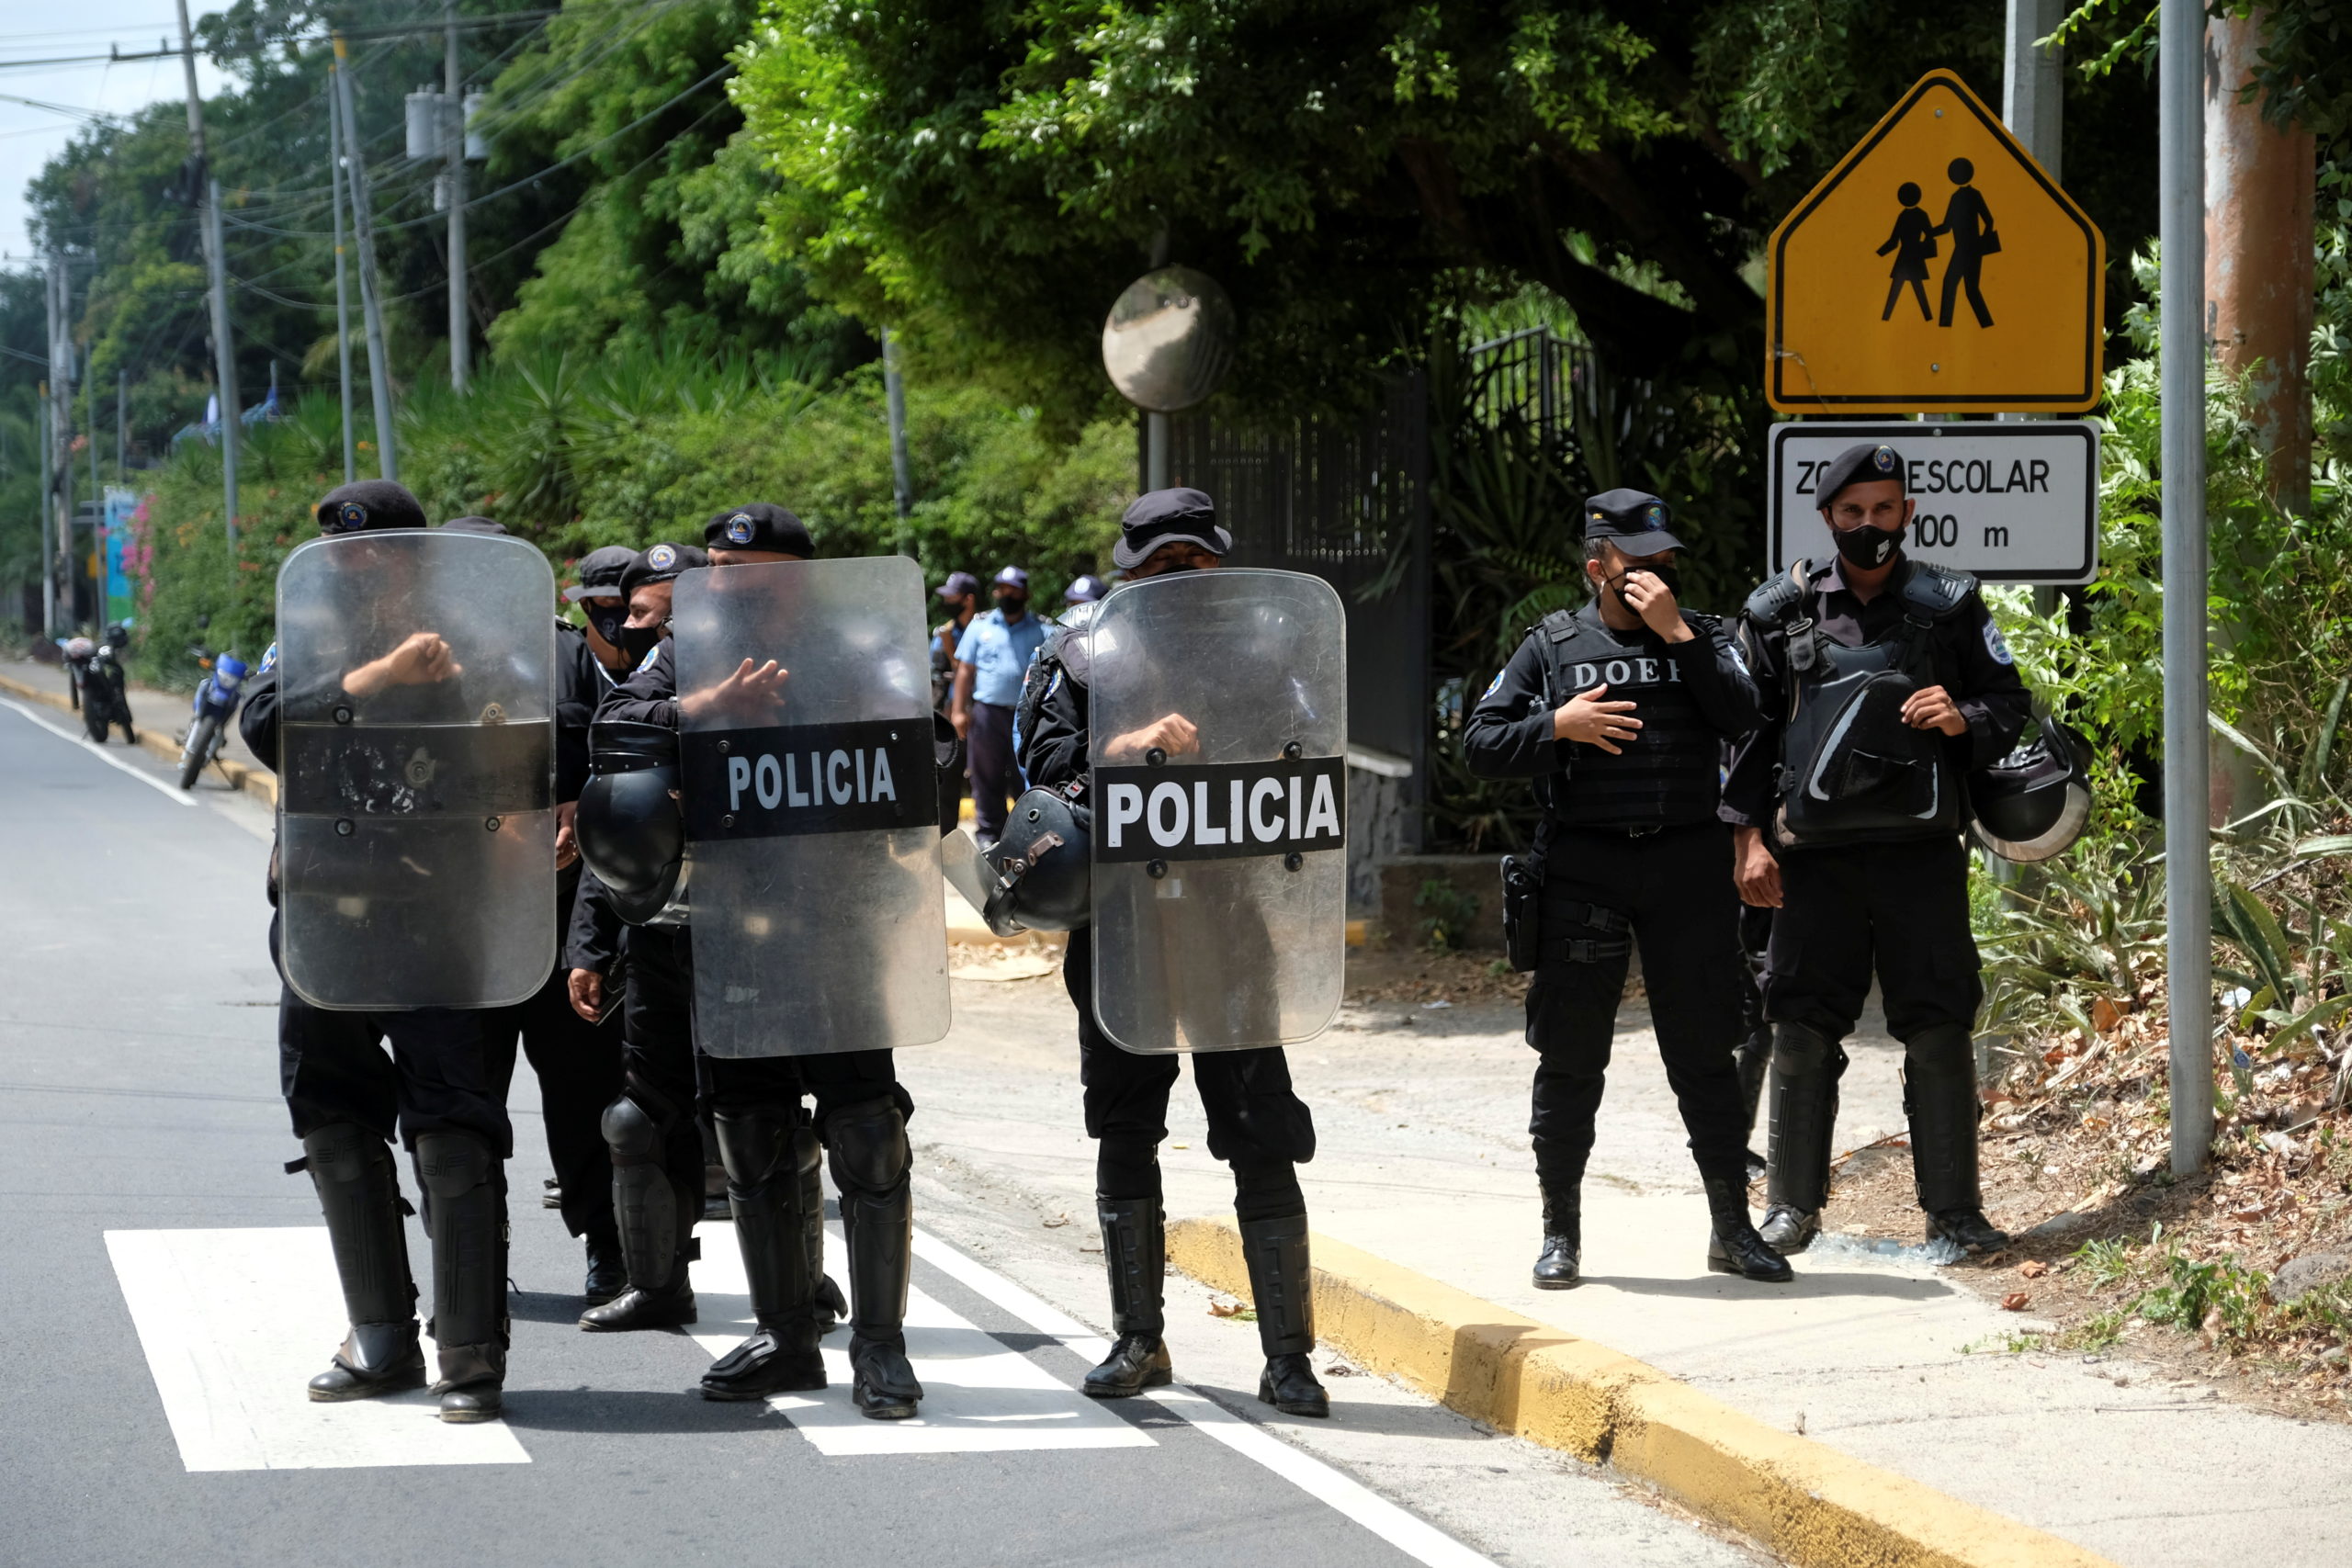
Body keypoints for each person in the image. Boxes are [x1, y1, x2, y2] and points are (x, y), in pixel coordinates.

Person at [581, 507, 925, 1419]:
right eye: (719, 564)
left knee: (865, 1130)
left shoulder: (859, 643)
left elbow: (923, 755)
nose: (722, 581)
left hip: (835, 922)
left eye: (745, 567)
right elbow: (614, 727)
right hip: (725, 923)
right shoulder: (685, 648)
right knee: (751, 1126)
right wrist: (706, 710)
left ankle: (881, 1351)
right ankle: (787, 1336)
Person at [1022, 487, 1334, 1419]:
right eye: (1163, 565)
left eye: (1198, 562)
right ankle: (1137, 1339)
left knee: (1258, 1128)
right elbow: (1041, 785)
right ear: (1129, 572)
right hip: (1119, 923)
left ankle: (1288, 1357)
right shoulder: (1076, 655)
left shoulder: (1261, 654)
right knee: (1125, 1126)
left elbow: (1303, 752)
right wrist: (1123, 747)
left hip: (1227, 920)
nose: (1184, 579)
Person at [239, 479, 535, 1422]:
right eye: (340, 553)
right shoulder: (307, 636)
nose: (355, 567)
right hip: (326, 915)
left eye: (373, 551)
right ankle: (379, 1335)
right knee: (330, 1114)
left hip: (436, 914)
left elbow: (519, 753)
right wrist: (375, 679)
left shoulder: (475, 642)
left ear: (413, 558)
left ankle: (470, 1353)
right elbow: (262, 725)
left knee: (454, 1123)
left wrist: (437, 679)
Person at [1462, 489, 1792, 1290]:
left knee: (1705, 1054)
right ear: (1597, 566)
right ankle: (1560, 1232)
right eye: (1637, 565)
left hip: (1685, 868)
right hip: (1586, 868)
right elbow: (1479, 741)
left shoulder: (1703, 636)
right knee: (1571, 1058)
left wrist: (1679, 633)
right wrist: (1555, 727)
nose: (1653, 576)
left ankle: (1731, 1229)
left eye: (1663, 562)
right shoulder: (1551, 645)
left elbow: (1748, 715)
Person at [1725, 441, 2030, 1256]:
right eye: (1853, 512)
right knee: (1799, 1023)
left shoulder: (1948, 606)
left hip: (1920, 855)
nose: (1870, 526)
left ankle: (1955, 1212)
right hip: (1810, 861)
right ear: (1827, 518)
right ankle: (1791, 1208)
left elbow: (2009, 700)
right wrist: (1747, 843)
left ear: (1908, 513)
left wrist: (1963, 713)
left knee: (1938, 1022)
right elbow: (1748, 737)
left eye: (1884, 510)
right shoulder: (1779, 613)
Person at [436, 520, 629, 1304]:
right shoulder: (415, 662)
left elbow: (619, 764)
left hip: (558, 919)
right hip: (461, 927)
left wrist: (578, 819)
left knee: (589, 1094)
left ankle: (612, 1250)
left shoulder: (570, 658)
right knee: (460, 1101)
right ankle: (476, 1253)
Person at [952, 565, 1048, 846]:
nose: (1008, 595)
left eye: (1014, 590)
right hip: (987, 713)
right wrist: (958, 711)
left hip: (1029, 715)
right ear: (996, 592)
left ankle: (1027, 834)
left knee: (1026, 776)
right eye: (1003, 589)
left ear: (1026, 593)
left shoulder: (1043, 630)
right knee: (985, 776)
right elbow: (965, 671)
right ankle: (990, 837)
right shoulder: (980, 627)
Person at [1931, 158, 1997, 330]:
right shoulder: (1957, 197)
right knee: (1963, 287)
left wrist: (1983, 242)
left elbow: (1989, 220)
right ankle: (1981, 325)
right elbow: (1947, 227)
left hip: (1969, 249)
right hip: (1964, 249)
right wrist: (1930, 232)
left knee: (1964, 287)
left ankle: (1985, 326)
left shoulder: (1973, 195)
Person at [1876, 181, 1936, 323]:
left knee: (1897, 289)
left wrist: (1878, 254)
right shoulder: (1921, 214)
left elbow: (1893, 242)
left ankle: (1886, 317)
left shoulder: (1903, 216)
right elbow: (1930, 234)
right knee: (1916, 288)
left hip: (1905, 257)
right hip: (1915, 256)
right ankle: (1928, 319)